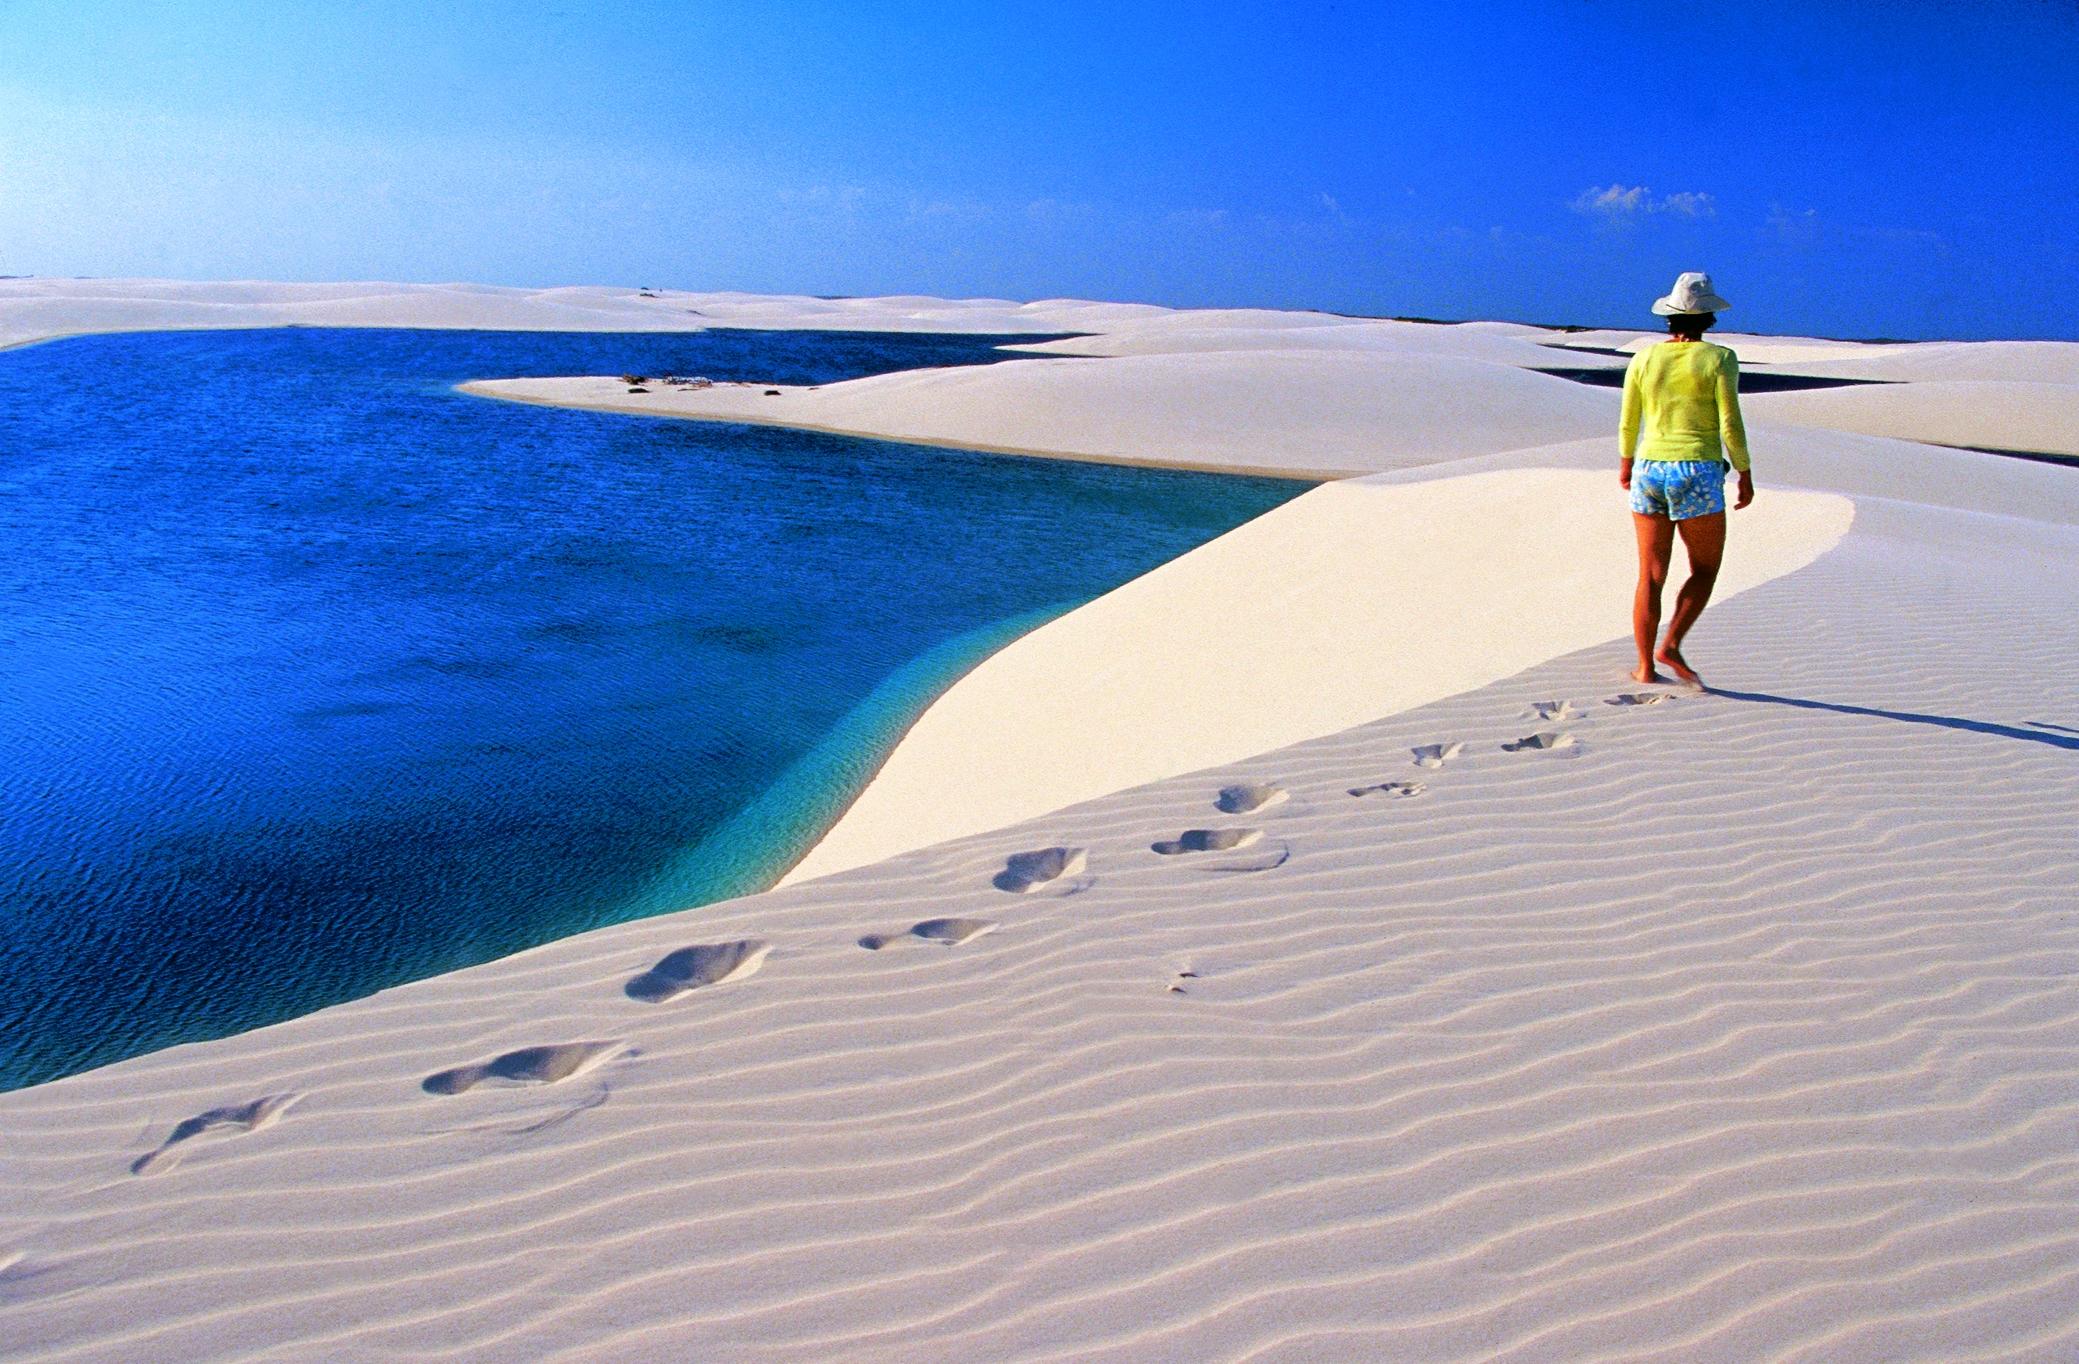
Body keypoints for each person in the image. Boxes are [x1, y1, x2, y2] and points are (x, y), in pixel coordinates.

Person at [1619, 271, 1754, 687]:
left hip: (1649, 468)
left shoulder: (1643, 358)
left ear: (1670, 316)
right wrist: (1744, 472)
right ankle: (1671, 644)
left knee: (1651, 575)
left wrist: (1626, 465)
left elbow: (1629, 419)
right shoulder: (1719, 358)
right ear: (1709, 316)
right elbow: (1729, 421)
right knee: (1705, 568)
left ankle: (1645, 668)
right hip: (1697, 468)